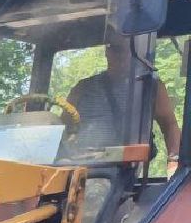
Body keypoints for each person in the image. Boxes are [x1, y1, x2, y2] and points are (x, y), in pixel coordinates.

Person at [66, 35, 181, 169]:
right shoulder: (82, 88)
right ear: (107, 52)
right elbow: (65, 128)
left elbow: (169, 125)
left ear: (135, 53)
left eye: (123, 50)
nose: (118, 55)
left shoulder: (150, 87)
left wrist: (173, 162)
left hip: (127, 172)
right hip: (82, 169)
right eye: (113, 49)